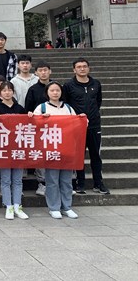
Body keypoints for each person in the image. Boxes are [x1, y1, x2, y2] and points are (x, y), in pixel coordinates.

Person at [30, 81, 81, 219]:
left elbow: (77, 124)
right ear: (47, 92)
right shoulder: (41, 108)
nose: (55, 93)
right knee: (52, 180)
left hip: (67, 147)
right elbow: (33, 125)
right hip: (50, 149)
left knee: (66, 180)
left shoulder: (68, 108)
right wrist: (42, 119)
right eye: (52, 90)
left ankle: (67, 207)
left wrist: (82, 119)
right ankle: (54, 207)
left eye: (57, 90)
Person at [63, 58, 109, 195]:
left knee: (96, 155)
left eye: (84, 66)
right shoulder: (68, 85)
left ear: (88, 68)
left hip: (94, 125)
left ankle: (98, 183)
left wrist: (92, 115)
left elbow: (98, 101)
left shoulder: (96, 83)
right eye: (79, 67)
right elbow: (66, 104)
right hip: (77, 126)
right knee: (78, 156)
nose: (82, 69)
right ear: (74, 69)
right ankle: (80, 183)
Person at [0, 81, 29, 220]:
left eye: (9, 90)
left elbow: (27, 125)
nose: (7, 93)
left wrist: (30, 116)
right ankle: (8, 206)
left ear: (13, 92)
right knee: (6, 180)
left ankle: (18, 206)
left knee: (18, 180)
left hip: (18, 147)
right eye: (4, 90)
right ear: (0, 93)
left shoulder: (20, 108)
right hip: (3, 148)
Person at [24, 61, 52, 197]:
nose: (43, 73)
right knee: (40, 155)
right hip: (38, 128)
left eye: (45, 70)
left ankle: (59, 183)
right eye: (40, 70)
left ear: (50, 71)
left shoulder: (57, 87)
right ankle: (42, 183)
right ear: (36, 73)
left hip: (56, 128)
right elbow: (28, 109)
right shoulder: (33, 89)